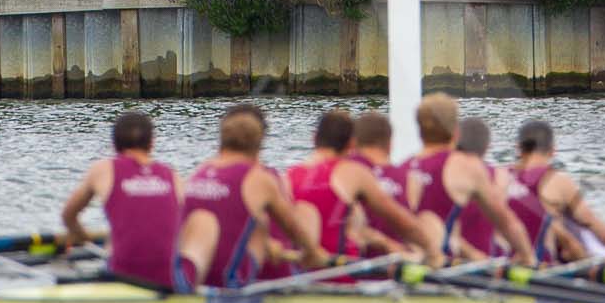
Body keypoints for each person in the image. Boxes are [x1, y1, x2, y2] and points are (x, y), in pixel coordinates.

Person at [176, 103, 325, 291]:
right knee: (296, 214)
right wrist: (312, 253)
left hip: (195, 275)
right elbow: (292, 228)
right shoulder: (258, 177)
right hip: (230, 282)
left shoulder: (199, 172)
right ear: (259, 144)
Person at [403, 96, 536, 266]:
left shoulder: (402, 166)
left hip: (409, 265)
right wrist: (527, 256)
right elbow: (506, 222)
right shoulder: (465, 166)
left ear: (419, 130)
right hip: (444, 271)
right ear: (456, 132)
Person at [59, 111, 181, 290]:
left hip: (122, 273)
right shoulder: (172, 175)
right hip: (168, 277)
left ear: (114, 144)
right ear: (151, 143)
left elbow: (68, 216)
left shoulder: (103, 169)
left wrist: (85, 240)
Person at [506, 120, 605, 265]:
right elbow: (591, 222)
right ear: (553, 150)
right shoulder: (556, 179)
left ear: (518, 148)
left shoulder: (500, 177)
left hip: (503, 261)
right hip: (542, 264)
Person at [324, 112, 441, 264]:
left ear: (354, 142)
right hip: (400, 270)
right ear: (390, 144)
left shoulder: (342, 169)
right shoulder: (410, 177)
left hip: (354, 269)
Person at [282, 108, 354, 253]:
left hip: (302, 270)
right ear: (351, 144)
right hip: (344, 269)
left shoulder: (288, 176)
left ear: (314, 138)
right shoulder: (353, 174)